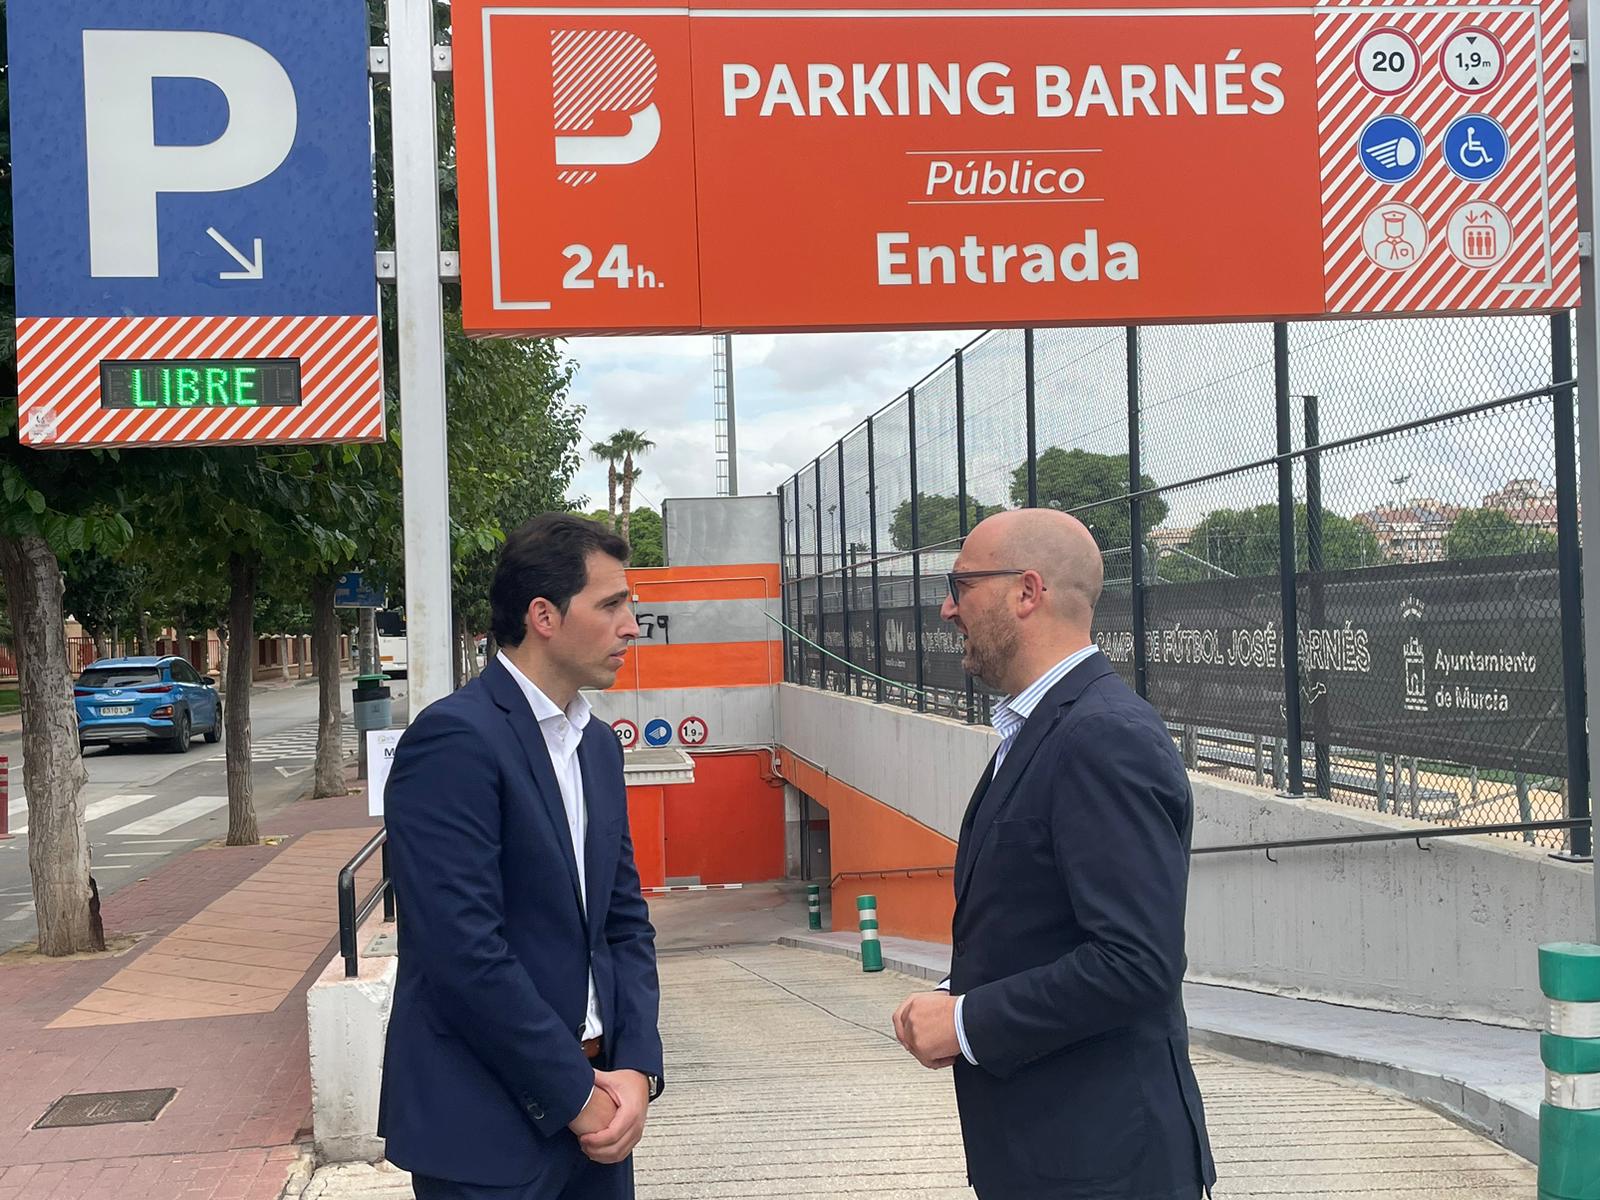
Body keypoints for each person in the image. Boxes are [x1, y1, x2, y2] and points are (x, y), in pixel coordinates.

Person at [892, 509, 1215, 1200]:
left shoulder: (1102, 736)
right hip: (1053, 1159)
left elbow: (1136, 963)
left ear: (1026, 592)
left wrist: (966, 1022)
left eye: (961, 585)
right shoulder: (1042, 727)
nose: (949, 609)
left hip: (1103, 1170)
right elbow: (1045, 930)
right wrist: (961, 997)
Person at [379, 514, 664, 1200]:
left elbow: (624, 922)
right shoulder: (454, 740)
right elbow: (463, 952)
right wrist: (575, 1095)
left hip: (602, 1123)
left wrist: (637, 1071)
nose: (633, 625)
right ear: (544, 614)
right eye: (611, 605)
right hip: (488, 1136)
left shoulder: (596, 746)